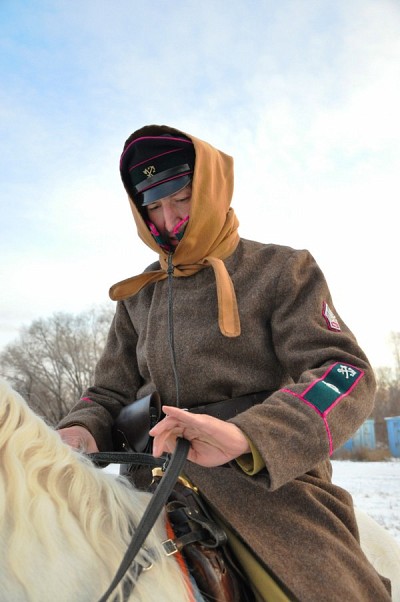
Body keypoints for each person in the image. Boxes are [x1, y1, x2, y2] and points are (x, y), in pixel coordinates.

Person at [57, 124, 391, 601]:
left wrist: (248, 436)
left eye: (181, 199)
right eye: (153, 207)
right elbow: (109, 392)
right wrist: (80, 428)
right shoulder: (137, 297)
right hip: (147, 485)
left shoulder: (282, 270)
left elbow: (344, 372)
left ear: (212, 190)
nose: (168, 220)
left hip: (265, 489)